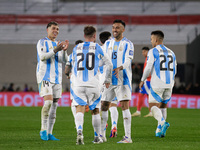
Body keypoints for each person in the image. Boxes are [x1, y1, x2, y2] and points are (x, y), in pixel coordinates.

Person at [70, 25, 112, 145]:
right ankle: (97, 137)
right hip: (93, 84)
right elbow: (109, 64)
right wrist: (107, 79)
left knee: (79, 109)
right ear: (94, 36)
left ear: (84, 36)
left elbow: (72, 65)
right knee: (95, 110)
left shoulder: (77, 47)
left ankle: (79, 132)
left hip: (78, 84)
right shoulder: (98, 47)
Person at [101, 19, 134, 143]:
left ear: (123, 29)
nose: (115, 30)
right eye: (113, 27)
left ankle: (128, 137)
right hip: (109, 80)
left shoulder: (128, 44)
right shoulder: (108, 43)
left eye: (118, 28)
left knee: (124, 106)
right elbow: (102, 58)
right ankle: (102, 136)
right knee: (104, 105)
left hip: (123, 79)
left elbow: (128, 60)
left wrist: (120, 67)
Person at [139, 30, 177, 138]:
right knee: (163, 106)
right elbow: (175, 69)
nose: (151, 41)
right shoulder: (171, 52)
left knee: (152, 106)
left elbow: (148, 68)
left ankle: (162, 122)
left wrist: (142, 79)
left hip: (157, 83)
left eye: (151, 39)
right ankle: (159, 131)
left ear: (155, 39)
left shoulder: (153, 51)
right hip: (169, 83)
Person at [36, 21, 69, 141]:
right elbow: (42, 57)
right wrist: (56, 49)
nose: (56, 31)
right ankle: (43, 130)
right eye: (53, 28)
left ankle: (50, 133)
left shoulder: (58, 44)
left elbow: (65, 60)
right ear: (47, 29)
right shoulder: (42, 42)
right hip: (45, 76)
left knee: (54, 106)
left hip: (57, 78)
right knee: (48, 103)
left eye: (58, 29)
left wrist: (64, 50)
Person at [99, 31, 119, 140]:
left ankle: (102, 130)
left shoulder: (100, 49)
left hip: (103, 80)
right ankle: (114, 125)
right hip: (115, 78)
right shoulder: (114, 48)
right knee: (114, 105)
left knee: (104, 105)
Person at [132, 47, 153, 117]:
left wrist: (145, 78)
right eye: (142, 52)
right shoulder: (147, 58)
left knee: (147, 95)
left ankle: (149, 112)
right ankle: (139, 111)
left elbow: (149, 69)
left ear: (148, 52)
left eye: (144, 51)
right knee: (143, 95)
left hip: (148, 80)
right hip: (147, 80)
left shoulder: (149, 58)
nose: (143, 53)